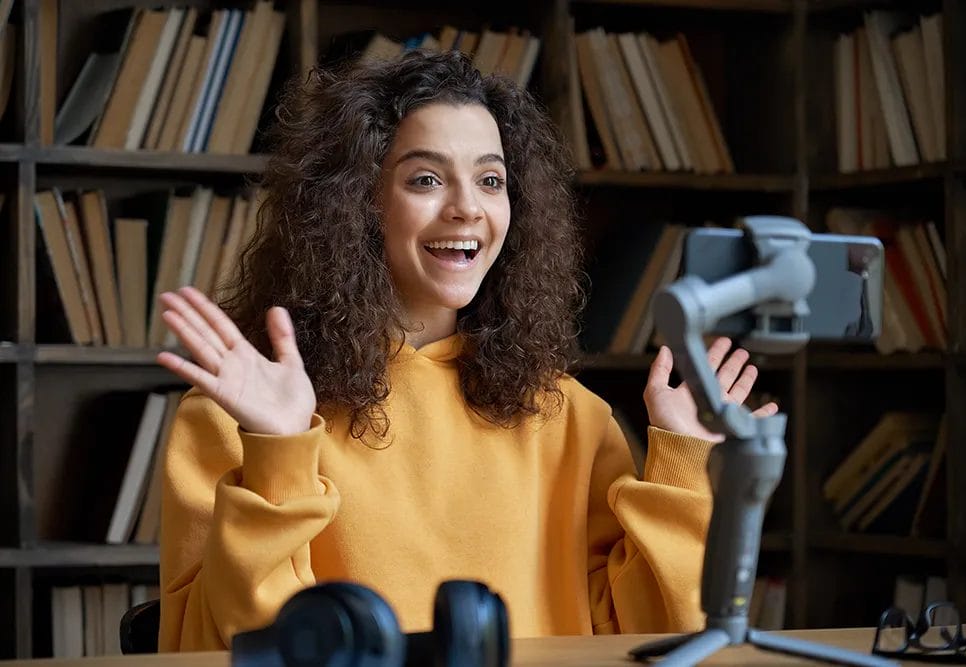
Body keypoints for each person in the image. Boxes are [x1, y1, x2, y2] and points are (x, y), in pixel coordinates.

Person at [155, 49, 777, 652]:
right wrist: (278, 454)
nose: (467, 208)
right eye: (426, 179)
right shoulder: (234, 415)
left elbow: (655, 637)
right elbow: (221, 648)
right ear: (356, 202)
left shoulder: (571, 418)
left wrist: (682, 467)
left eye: (490, 180)